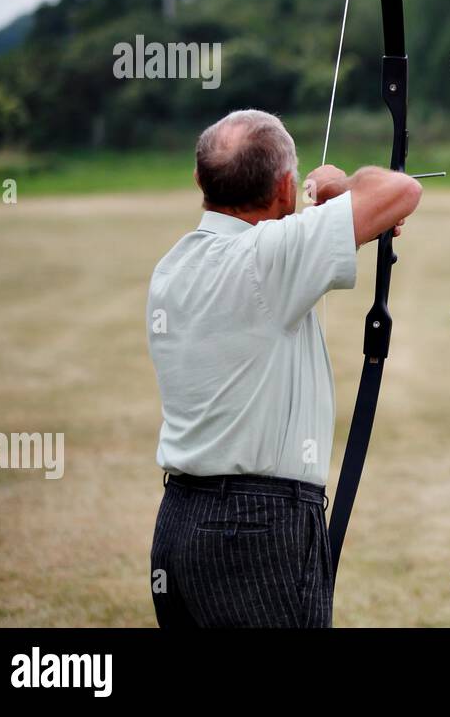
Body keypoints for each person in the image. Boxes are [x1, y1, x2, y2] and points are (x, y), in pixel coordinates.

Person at [146, 109, 422, 627]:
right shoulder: (270, 258)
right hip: (257, 529)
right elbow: (399, 191)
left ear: (199, 179)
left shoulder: (173, 266)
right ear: (285, 186)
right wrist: (338, 186)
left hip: (179, 523)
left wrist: (317, 209)